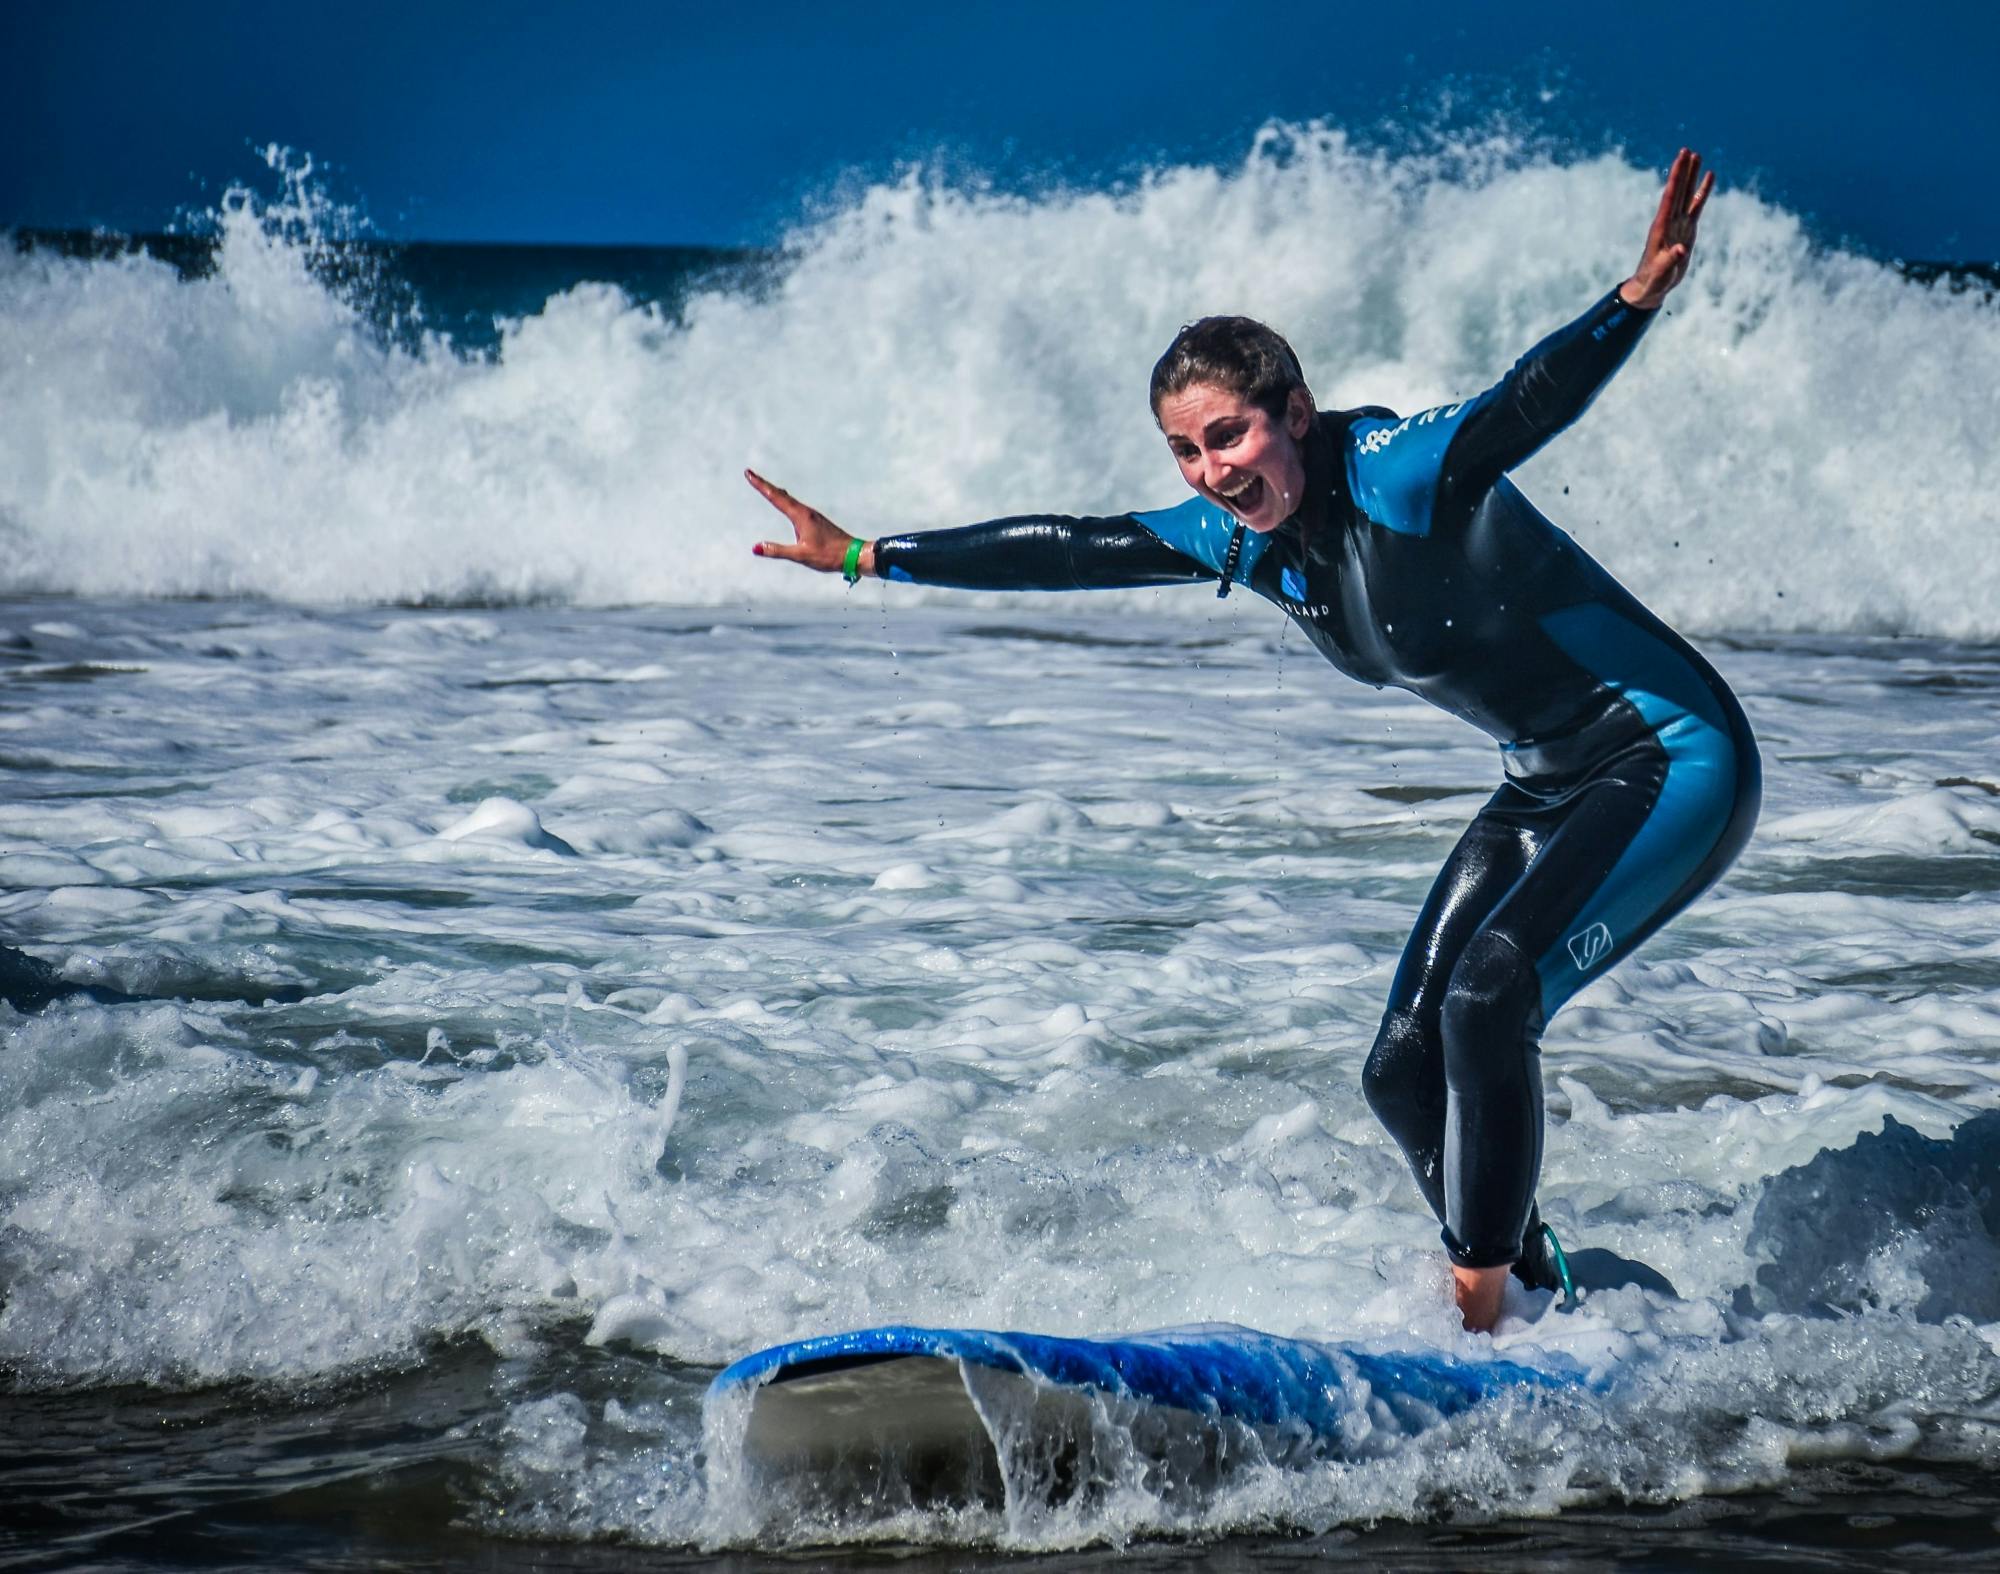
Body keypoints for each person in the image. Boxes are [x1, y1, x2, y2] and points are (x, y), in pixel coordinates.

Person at [745, 149, 1759, 1333]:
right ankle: (1535, 1277)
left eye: (1229, 436)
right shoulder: (1241, 540)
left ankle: (1481, 1314)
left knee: (1488, 999)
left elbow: (1521, 402)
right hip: (1541, 782)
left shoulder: (1402, 470)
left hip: (1667, 757)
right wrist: (867, 554)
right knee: (1397, 1069)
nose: (1212, 473)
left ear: (1292, 412)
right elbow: (1071, 547)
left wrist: (1632, 300)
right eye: (1186, 451)